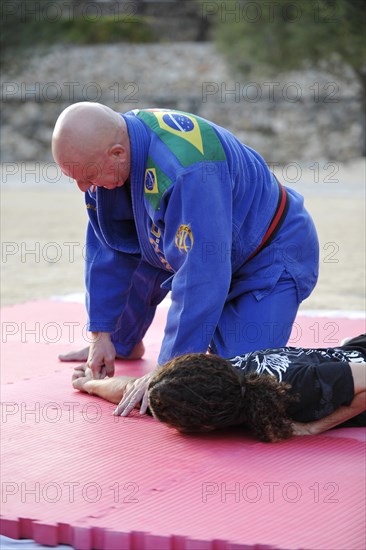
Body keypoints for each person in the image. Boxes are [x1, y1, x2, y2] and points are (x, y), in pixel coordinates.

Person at [52, 102, 319, 416]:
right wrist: (101, 333)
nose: (84, 187)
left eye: (87, 177)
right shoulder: (105, 156)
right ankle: (122, 340)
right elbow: (107, 244)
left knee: (236, 386)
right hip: (190, 244)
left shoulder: (188, 170)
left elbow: (201, 276)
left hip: (266, 255)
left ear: (118, 154)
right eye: (75, 178)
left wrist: (168, 370)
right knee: (132, 245)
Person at [72, 335, 366, 442]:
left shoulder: (298, 388)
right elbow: (131, 391)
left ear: (205, 425)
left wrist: (316, 428)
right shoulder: (210, 383)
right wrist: (90, 384)